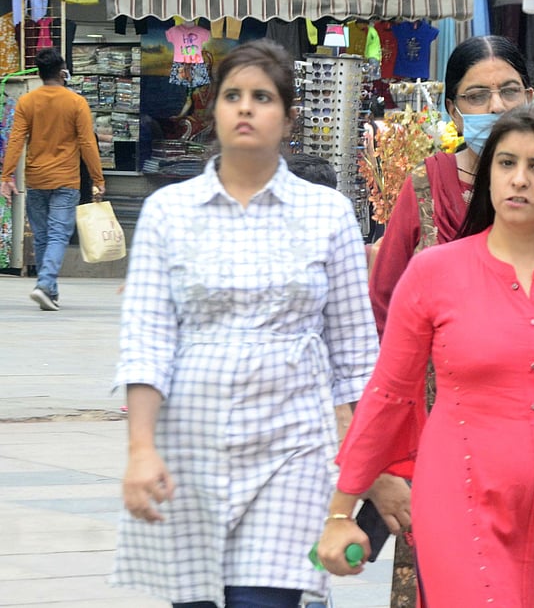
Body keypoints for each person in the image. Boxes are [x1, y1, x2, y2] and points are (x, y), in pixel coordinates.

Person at [317, 102, 534, 605]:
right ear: (489, 173)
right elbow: (389, 395)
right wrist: (341, 512)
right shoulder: (434, 273)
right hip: (460, 499)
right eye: (506, 163)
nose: (520, 179)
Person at [110, 40, 378, 608]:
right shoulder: (168, 213)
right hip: (189, 445)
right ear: (215, 112)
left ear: (287, 116)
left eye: (262, 97)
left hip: (293, 446)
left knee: (265, 599)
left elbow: (356, 355)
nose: (246, 108)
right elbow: (146, 340)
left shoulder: (327, 214)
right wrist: (140, 450)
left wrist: (367, 472)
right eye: (233, 96)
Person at [0, 47, 105, 311]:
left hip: (36, 180)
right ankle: (45, 284)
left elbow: (16, 140)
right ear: (62, 72)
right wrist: (98, 178)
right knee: (58, 235)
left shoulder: (27, 102)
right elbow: (87, 144)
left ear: (38, 73)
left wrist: (6, 175)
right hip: (66, 180)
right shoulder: (76, 103)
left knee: (43, 236)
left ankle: (50, 292)